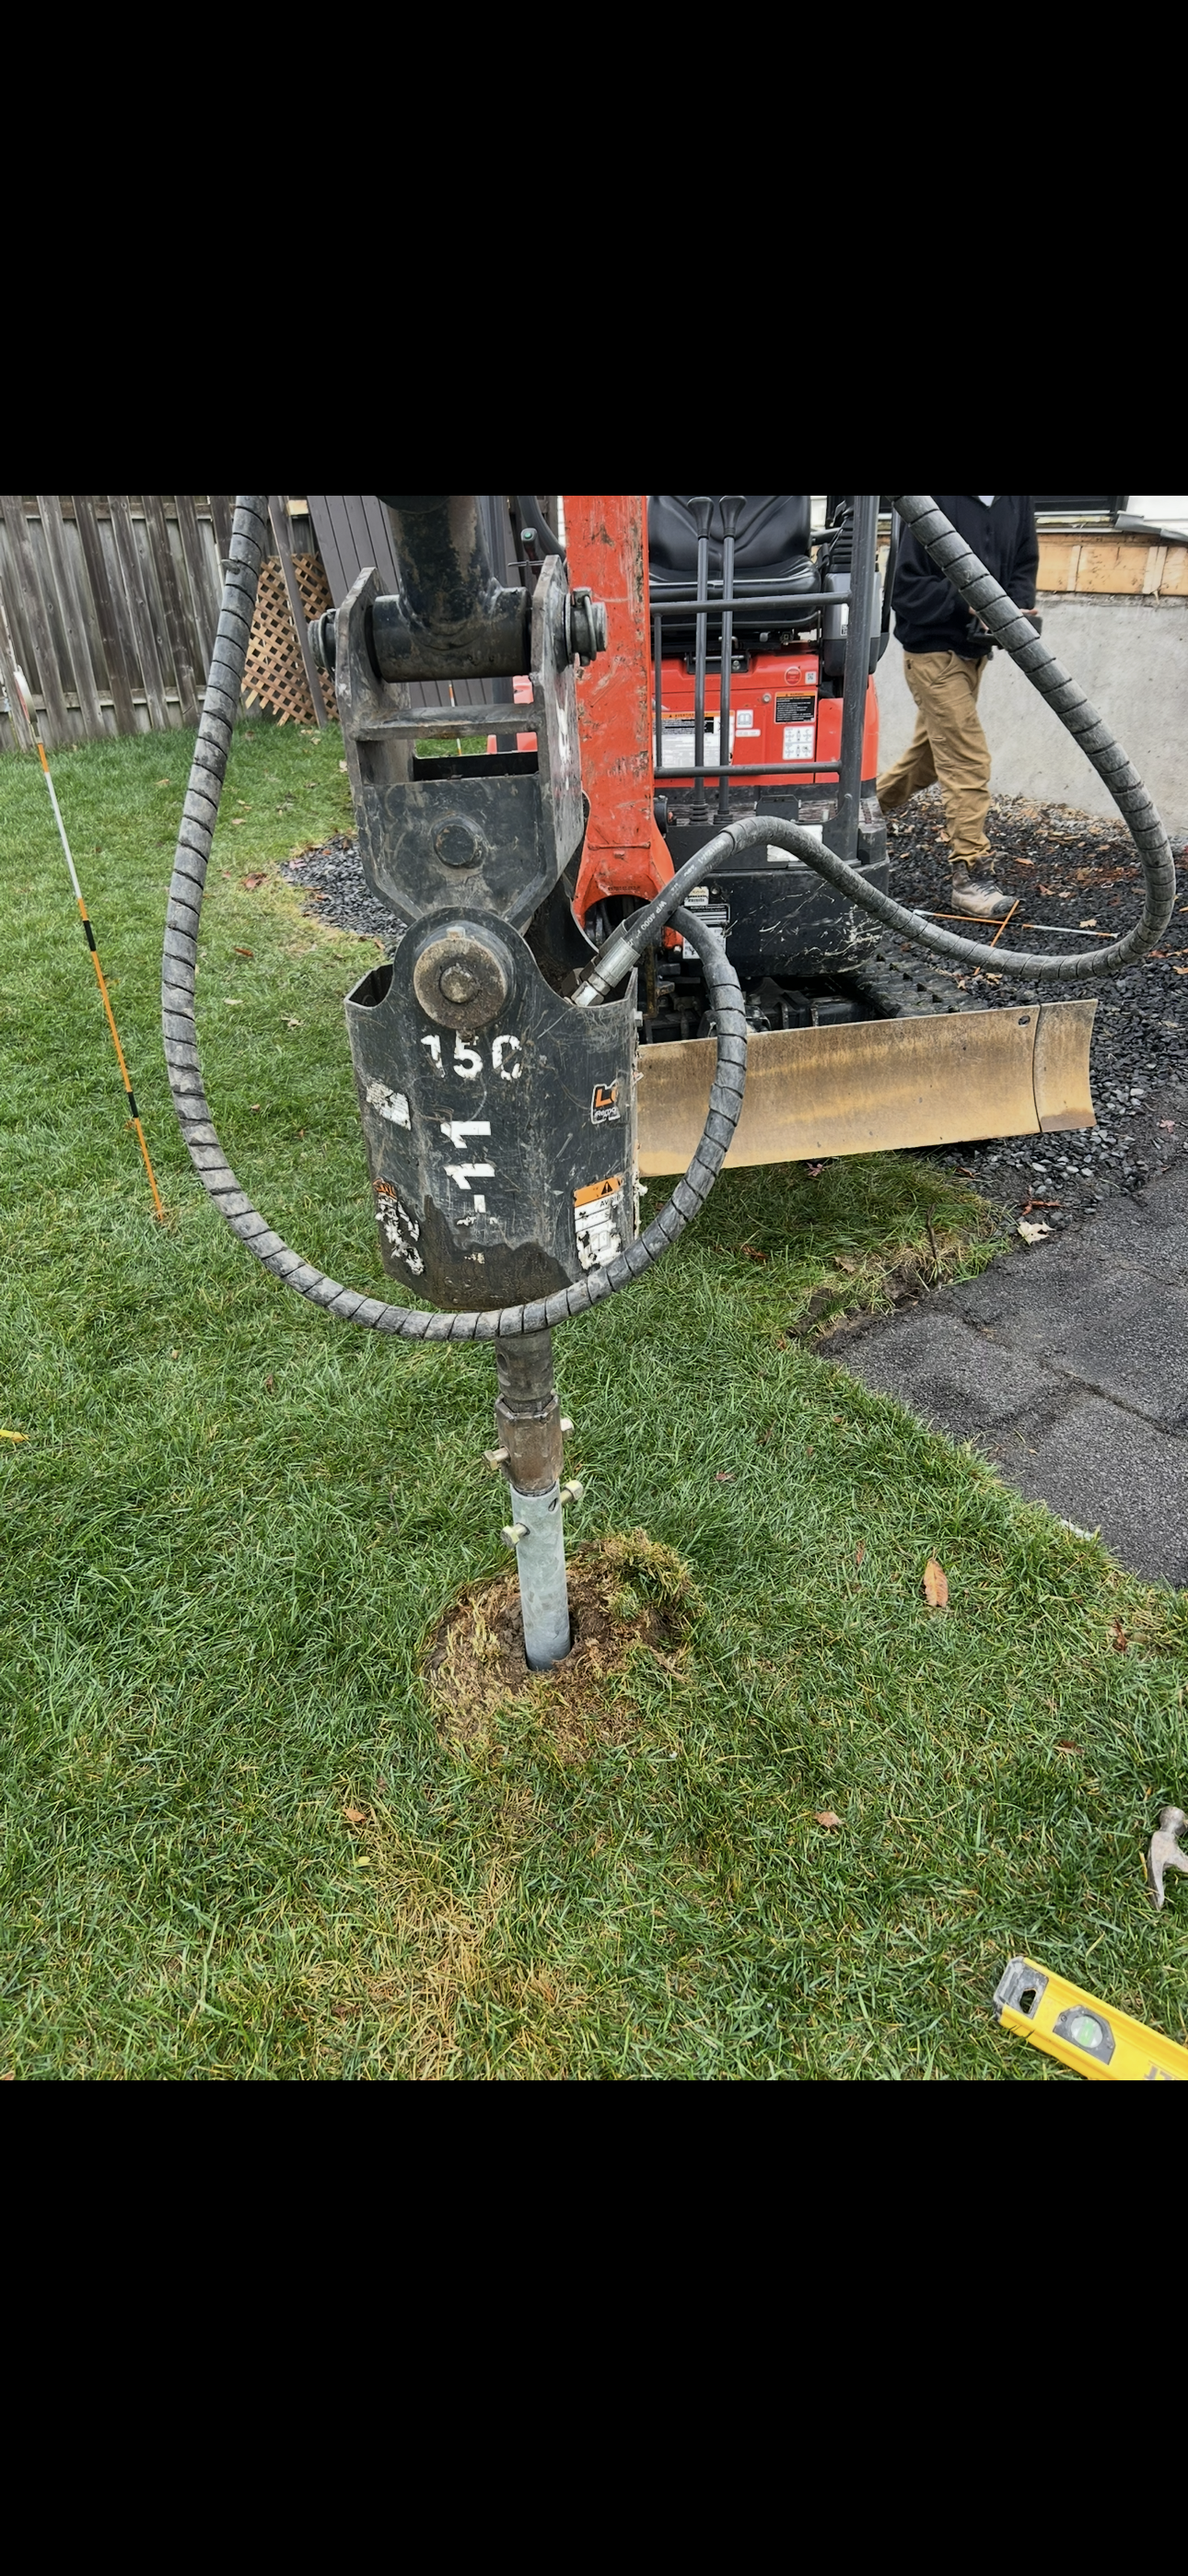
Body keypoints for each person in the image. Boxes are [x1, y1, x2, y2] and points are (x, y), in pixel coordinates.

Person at [877, 497, 1040, 919]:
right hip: (932, 652)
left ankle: (859, 813)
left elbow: (1023, 561)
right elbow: (905, 588)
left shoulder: (1016, 499)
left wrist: (1014, 608)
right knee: (967, 759)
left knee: (930, 760)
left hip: (974, 652)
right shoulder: (930, 501)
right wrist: (968, 598)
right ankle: (970, 877)